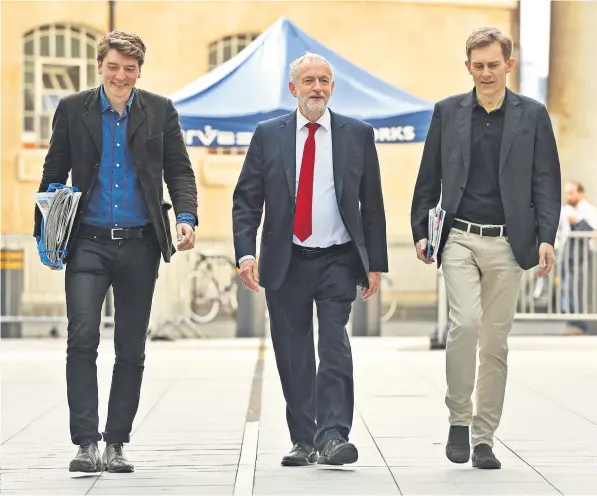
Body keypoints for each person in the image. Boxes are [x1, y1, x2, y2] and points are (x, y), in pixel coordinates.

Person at [33, 31, 198, 473]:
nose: (120, 76)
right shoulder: (73, 109)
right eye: (113, 67)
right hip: (86, 241)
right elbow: (53, 171)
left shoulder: (160, 111)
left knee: (130, 347)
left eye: (129, 68)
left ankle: (117, 443)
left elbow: (179, 170)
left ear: (139, 71)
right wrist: (46, 234)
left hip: (140, 244)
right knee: (82, 338)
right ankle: (86, 443)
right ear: (99, 66)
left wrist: (186, 216)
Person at [410, 27, 561, 469]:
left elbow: (546, 181)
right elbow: (428, 178)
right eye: (478, 66)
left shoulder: (532, 115)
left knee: (495, 343)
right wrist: (422, 230)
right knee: (467, 324)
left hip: (509, 243)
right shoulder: (447, 112)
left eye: (494, 64)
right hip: (458, 236)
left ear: (509, 64)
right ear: (468, 66)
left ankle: (483, 438)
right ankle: (458, 419)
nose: (486, 73)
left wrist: (546, 236)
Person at [232, 53, 388, 466]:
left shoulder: (357, 134)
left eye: (323, 80)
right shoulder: (269, 135)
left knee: (334, 343)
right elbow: (247, 199)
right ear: (293, 89)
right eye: (308, 81)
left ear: (332, 87)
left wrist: (375, 264)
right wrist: (246, 253)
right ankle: (303, 439)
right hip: (286, 260)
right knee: (292, 350)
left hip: (338, 258)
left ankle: (334, 435)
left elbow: (372, 203)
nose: (316, 87)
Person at [558, 181, 597, 334]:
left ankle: (579, 323)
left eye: (572, 193)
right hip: (566, 255)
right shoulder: (564, 210)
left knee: (578, 288)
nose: (569, 196)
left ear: (580, 193)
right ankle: (571, 321)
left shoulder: (589, 210)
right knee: (567, 288)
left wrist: (578, 223)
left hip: (582, 256)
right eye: (567, 193)